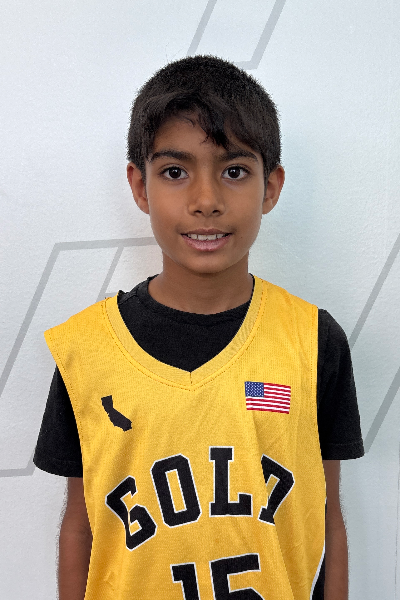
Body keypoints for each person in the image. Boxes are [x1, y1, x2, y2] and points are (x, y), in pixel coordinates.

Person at [33, 54, 364, 600]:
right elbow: (81, 524)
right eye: (175, 172)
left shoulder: (313, 341)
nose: (206, 201)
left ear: (270, 187)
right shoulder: (85, 351)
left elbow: (326, 514)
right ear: (140, 187)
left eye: (234, 171)